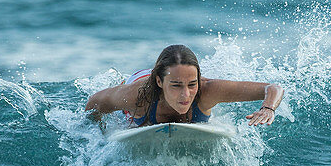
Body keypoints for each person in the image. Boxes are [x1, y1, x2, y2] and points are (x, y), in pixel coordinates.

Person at [85, 45, 283, 128]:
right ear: (160, 82)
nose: (186, 95)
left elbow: (273, 88)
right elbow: (94, 103)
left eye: (192, 84)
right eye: (177, 86)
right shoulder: (138, 96)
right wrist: (101, 134)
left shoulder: (208, 90)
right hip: (140, 81)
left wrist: (268, 108)